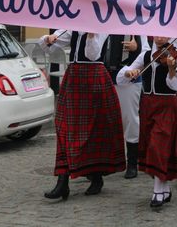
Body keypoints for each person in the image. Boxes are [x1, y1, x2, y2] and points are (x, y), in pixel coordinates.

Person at [41, 30, 125, 200]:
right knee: (64, 128)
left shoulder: (102, 27)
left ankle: (96, 177)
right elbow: (49, 46)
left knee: (95, 132)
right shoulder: (74, 26)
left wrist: (92, 35)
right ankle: (62, 182)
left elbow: (93, 55)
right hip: (74, 78)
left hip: (94, 79)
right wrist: (49, 39)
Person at [117, 37, 177, 208]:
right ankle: (165, 187)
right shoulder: (146, 55)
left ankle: (157, 191)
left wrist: (171, 70)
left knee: (159, 145)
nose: (160, 38)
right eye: (156, 34)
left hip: (167, 106)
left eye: (164, 34)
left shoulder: (176, 56)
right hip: (148, 105)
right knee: (151, 147)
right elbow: (125, 75)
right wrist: (129, 73)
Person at [104, 34, 150, 179]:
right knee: (106, 120)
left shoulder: (137, 25)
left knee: (130, 119)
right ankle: (109, 162)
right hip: (105, 74)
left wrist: (137, 48)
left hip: (129, 77)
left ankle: (132, 163)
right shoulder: (104, 24)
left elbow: (147, 52)